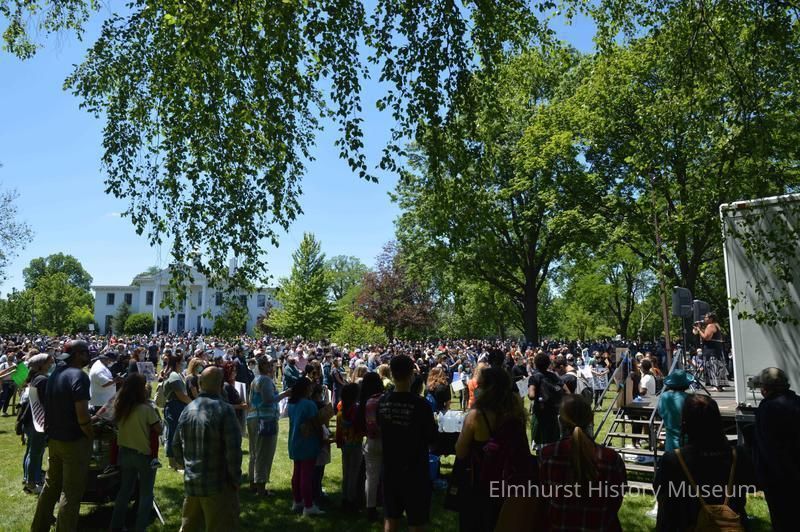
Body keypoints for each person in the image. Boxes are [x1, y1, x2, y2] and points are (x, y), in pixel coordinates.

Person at [655, 394, 755, 531]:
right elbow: (752, 484)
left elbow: (663, 500)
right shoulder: (738, 455)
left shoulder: (673, 460)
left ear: (685, 422)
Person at [455, 366, 532, 532]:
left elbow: (460, 452)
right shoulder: (516, 412)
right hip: (509, 482)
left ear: (487, 388)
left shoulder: (476, 415)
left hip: (481, 482)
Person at [32, 340, 94, 532]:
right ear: (78, 354)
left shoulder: (54, 375)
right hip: (73, 441)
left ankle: (38, 528)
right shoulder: (79, 376)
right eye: (86, 352)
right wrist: (90, 433)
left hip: (54, 439)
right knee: (71, 492)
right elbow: (82, 414)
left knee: (51, 487)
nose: (88, 356)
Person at [539, 394, 626, 531]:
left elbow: (542, 501)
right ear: (591, 419)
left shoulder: (547, 456)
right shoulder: (611, 459)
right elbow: (616, 502)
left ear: (560, 421)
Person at [173, 366, 243, 530]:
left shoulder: (187, 409)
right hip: (218, 486)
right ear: (221, 385)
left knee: (190, 527)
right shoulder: (225, 410)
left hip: (192, 483)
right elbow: (233, 451)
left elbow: (175, 445)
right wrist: (235, 479)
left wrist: (188, 467)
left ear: (200, 384)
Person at [377, 354, 437, 532]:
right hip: (415, 470)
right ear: (412, 374)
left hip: (390, 467)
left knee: (391, 519)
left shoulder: (383, 402)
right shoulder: (421, 405)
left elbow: (381, 429)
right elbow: (432, 437)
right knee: (416, 523)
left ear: (392, 374)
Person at [110, 373, 162, 532]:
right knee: (146, 494)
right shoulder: (147, 409)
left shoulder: (119, 407)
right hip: (144, 456)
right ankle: (140, 527)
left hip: (125, 454)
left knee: (124, 491)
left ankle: (116, 526)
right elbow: (159, 429)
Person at [751, 367, 800, 531]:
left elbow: (767, 449)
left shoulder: (767, 408)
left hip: (778, 479)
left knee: (783, 521)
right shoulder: (797, 402)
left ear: (766, 389)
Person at [287, 376, 326, 516]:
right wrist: (322, 438)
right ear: (305, 389)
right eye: (310, 387)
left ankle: (297, 500)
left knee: (297, 473)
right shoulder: (309, 405)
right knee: (306, 476)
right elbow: (316, 424)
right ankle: (308, 505)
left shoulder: (291, 404)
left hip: (294, 441)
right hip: (307, 443)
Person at [246, 357, 283, 497]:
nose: (273, 367)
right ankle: (261, 489)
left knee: (254, 453)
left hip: (253, 418)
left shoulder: (255, 380)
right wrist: (285, 394)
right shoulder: (265, 380)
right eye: (271, 365)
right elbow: (268, 400)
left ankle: (253, 484)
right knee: (264, 453)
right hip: (264, 420)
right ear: (266, 366)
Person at [21, 353, 54, 494]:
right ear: (41, 365)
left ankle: (28, 479)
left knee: (31, 452)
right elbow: (46, 402)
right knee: (36, 453)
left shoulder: (36, 378)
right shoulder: (42, 380)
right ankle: (32, 483)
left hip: (31, 420)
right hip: (37, 421)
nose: (51, 364)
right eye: (49, 362)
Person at [358, 372, 385, 521]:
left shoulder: (367, 402)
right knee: (387, 475)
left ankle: (370, 507)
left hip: (370, 440)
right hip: (385, 441)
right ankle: (389, 505)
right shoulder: (384, 399)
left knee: (371, 477)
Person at [161, 353, 191, 471]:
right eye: (182, 361)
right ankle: (173, 462)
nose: (184, 363)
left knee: (175, 434)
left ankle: (177, 461)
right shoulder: (173, 375)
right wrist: (193, 403)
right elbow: (181, 395)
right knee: (173, 434)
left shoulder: (176, 374)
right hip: (175, 407)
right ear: (177, 363)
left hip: (176, 407)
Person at [336, 382, 363, 511]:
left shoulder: (341, 411)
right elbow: (359, 428)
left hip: (345, 445)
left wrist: (339, 441)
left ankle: (345, 497)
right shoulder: (356, 410)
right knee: (354, 473)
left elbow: (338, 430)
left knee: (346, 472)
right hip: (356, 444)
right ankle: (351, 500)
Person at [528, 352, 565, 448]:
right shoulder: (554, 376)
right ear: (548, 364)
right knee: (553, 444)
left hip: (539, 414)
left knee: (540, 444)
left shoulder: (534, 377)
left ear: (535, 364)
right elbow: (566, 390)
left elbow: (531, 395)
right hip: (553, 413)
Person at [657, 370, 693, 452]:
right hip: (688, 445)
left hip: (670, 446)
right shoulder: (690, 399)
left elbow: (661, 413)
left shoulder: (664, 397)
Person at [693, 312, 728, 391]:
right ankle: (719, 385)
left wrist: (699, 330)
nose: (704, 319)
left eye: (706, 317)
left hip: (712, 350)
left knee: (713, 367)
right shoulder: (716, 325)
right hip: (716, 350)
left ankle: (717, 385)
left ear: (711, 319)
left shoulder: (711, 326)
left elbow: (706, 337)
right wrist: (699, 329)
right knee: (717, 367)